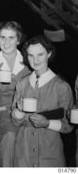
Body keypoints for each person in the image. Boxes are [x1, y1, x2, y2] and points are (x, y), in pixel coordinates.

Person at [11, 35, 73, 167]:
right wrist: (20, 110)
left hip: (50, 150)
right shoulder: (21, 84)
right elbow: (15, 122)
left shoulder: (62, 86)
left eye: (40, 54)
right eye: (31, 55)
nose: (35, 60)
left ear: (49, 54)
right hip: (23, 150)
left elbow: (68, 125)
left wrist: (47, 123)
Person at [0, 21, 31, 167]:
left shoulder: (29, 63)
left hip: (26, 114)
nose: (6, 42)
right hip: (1, 117)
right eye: (2, 37)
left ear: (18, 40)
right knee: (10, 137)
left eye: (11, 37)